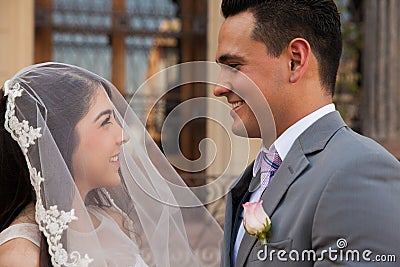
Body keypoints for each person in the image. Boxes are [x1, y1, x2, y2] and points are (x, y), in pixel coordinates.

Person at [214, 0, 400, 266]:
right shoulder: (252, 180)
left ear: (295, 60)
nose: (218, 87)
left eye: (234, 66)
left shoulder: (359, 172)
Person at [0, 62, 223, 266]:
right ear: (59, 138)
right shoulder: (20, 254)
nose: (123, 135)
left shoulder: (114, 222)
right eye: (106, 121)